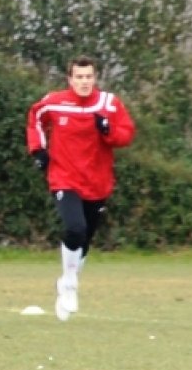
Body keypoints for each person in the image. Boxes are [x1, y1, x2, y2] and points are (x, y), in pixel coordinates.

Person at [26, 55, 135, 321]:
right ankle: (71, 285)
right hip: (64, 178)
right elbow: (36, 119)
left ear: (94, 78)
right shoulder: (54, 102)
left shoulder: (108, 104)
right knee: (75, 228)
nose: (84, 82)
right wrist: (38, 150)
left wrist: (108, 130)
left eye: (89, 77)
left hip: (97, 182)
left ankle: (67, 280)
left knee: (85, 241)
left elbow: (126, 134)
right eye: (79, 77)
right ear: (70, 79)